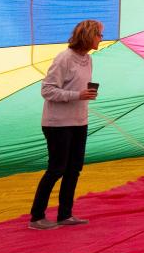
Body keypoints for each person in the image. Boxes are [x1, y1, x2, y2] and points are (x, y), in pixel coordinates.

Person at [28, 19, 102, 230]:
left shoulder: (88, 59)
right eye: (99, 35)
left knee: (74, 169)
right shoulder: (64, 58)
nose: (101, 39)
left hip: (80, 121)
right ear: (88, 35)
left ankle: (65, 214)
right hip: (58, 124)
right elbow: (47, 90)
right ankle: (36, 217)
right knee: (57, 168)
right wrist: (77, 94)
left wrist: (84, 95)